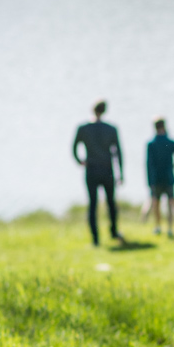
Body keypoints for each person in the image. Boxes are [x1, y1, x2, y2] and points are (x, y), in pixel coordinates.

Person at [73, 100, 124, 247]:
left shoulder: (83, 128)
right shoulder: (111, 129)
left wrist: (80, 160)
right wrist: (120, 173)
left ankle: (95, 239)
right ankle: (113, 232)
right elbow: (118, 152)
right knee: (111, 203)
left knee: (92, 204)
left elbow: (74, 147)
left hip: (92, 170)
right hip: (108, 170)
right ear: (105, 110)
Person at [145, 118, 174, 236]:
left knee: (156, 203)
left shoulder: (151, 144)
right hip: (169, 176)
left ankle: (158, 226)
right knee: (170, 202)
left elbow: (148, 164)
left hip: (156, 178)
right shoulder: (170, 141)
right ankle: (170, 228)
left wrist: (149, 180)